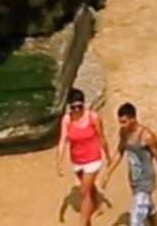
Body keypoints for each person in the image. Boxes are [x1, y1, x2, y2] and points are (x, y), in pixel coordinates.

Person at [100, 102, 157, 225]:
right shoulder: (124, 134)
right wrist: (108, 173)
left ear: (133, 119)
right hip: (134, 180)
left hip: (146, 182)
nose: (122, 125)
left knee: (135, 221)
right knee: (147, 205)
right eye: (120, 122)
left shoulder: (147, 137)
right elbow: (120, 151)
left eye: (124, 122)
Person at [55, 88, 110, 225]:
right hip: (77, 160)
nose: (77, 110)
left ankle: (83, 222)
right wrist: (59, 162)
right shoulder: (67, 120)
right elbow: (62, 141)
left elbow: (101, 137)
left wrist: (108, 155)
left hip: (93, 159)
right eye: (74, 107)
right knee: (88, 186)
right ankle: (98, 204)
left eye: (80, 106)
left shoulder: (93, 117)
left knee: (84, 192)